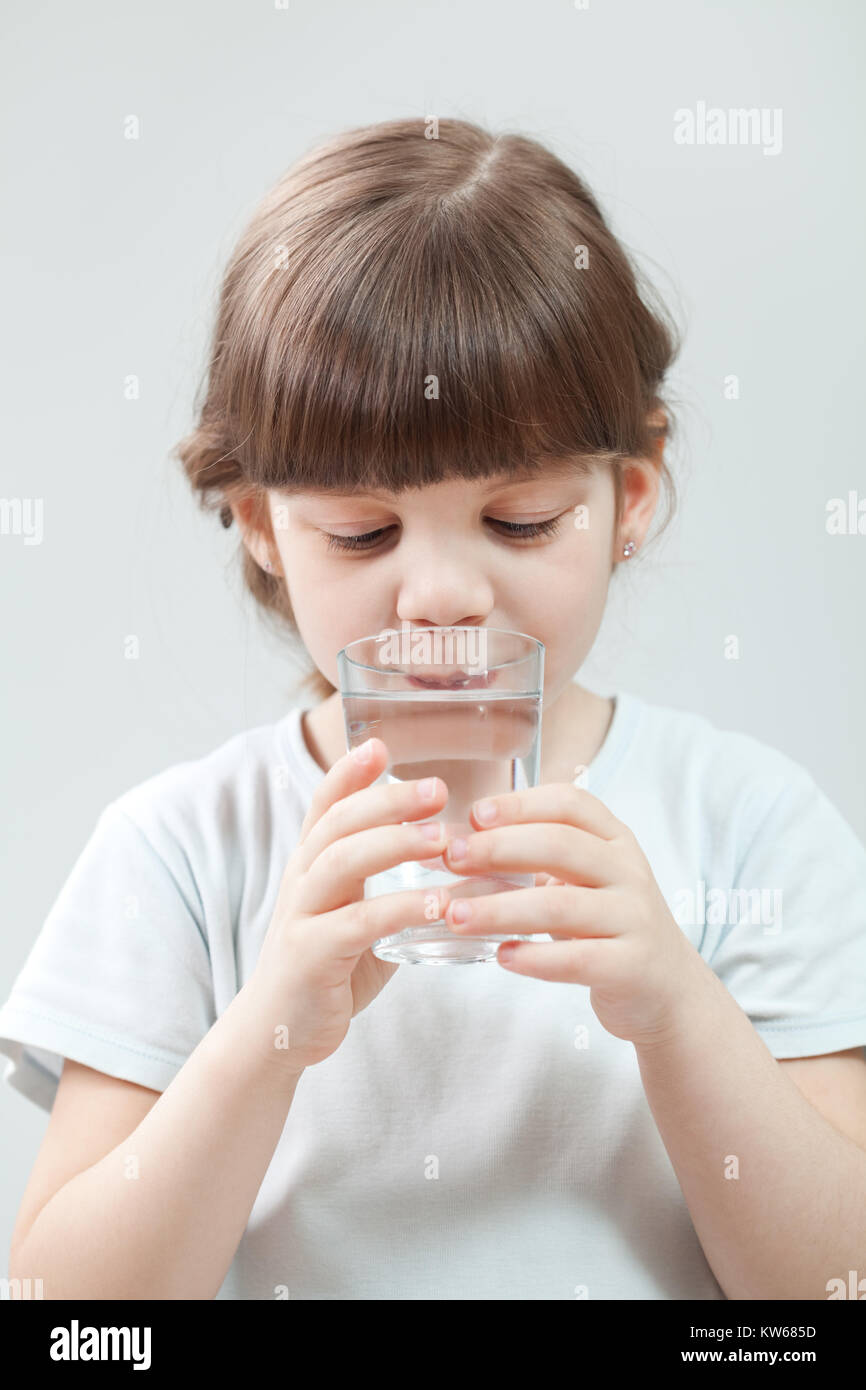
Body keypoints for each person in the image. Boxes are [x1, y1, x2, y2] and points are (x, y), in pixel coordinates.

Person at [3, 116, 866, 1302]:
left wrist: (675, 1007)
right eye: (362, 530)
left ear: (627, 497)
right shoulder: (181, 854)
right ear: (261, 524)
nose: (444, 593)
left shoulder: (749, 826)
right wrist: (267, 1033)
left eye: (518, 521)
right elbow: (69, 1321)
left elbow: (836, 1289)